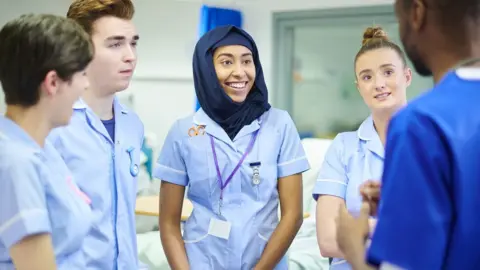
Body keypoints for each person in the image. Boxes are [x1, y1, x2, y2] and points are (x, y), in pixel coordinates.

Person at [335, 0, 480, 269]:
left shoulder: (420, 123)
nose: (379, 84)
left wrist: (353, 246)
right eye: (366, 77)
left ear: (416, 12)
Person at [155, 25, 309, 270]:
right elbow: (168, 223)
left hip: (266, 262)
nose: (240, 72)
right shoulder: (183, 132)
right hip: (201, 261)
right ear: (206, 70)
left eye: (247, 61)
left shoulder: (279, 125)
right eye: (226, 62)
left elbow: (293, 216)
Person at [46, 0, 145, 269]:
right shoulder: (51, 128)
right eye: (115, 44)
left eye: (133, 43)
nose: (130, 56)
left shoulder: (132, 126)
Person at [311, 26, 411, 270]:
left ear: (406, 76)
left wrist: (362, 227)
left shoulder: (430, 139)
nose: (379, 84)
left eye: (388, 72)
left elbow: (442, 231)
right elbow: (327, 239)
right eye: (367, 77)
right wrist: (402, 229)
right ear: (358, 87)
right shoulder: (344, 147)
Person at [0, 14, 93, 269]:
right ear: (53, 83)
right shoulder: (16, 163)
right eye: (82, 74)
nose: (85, 85)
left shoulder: (40, 149)